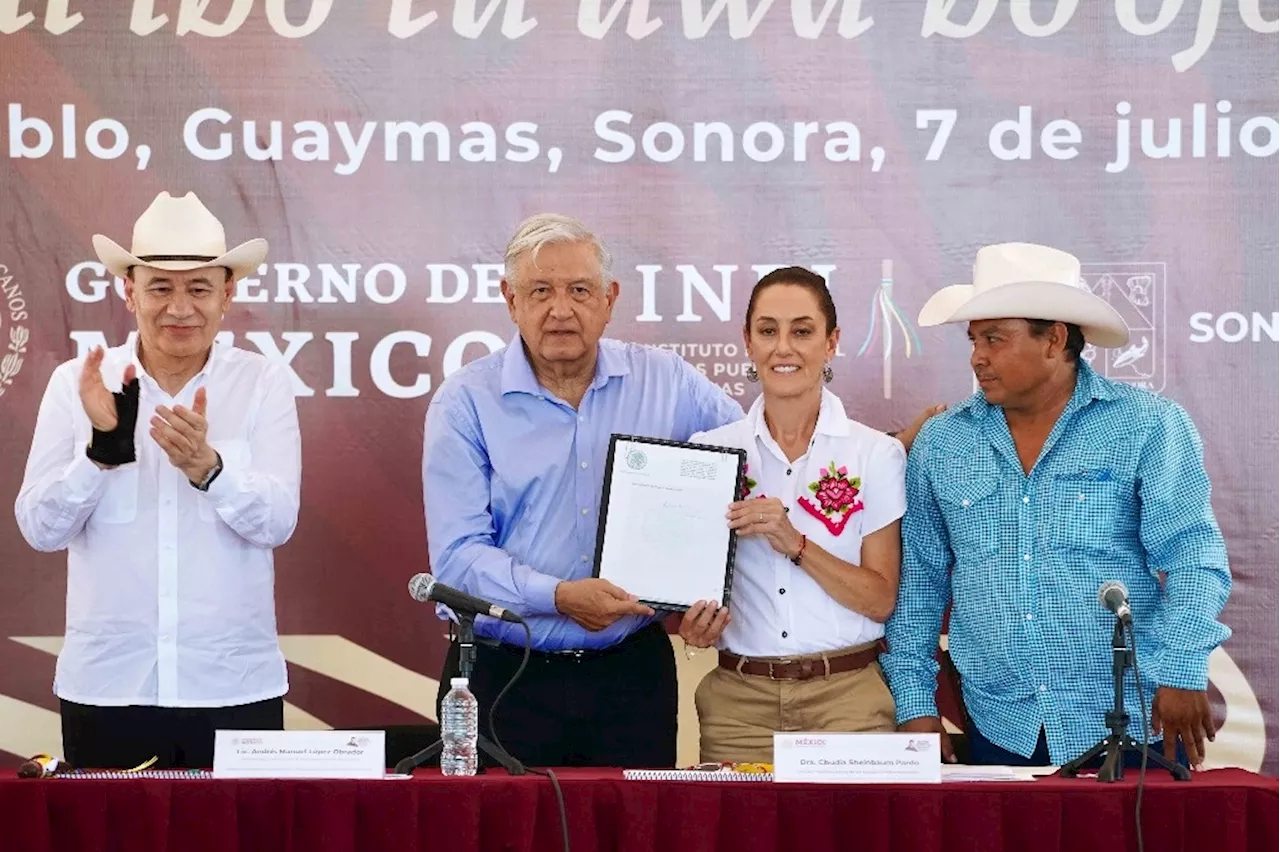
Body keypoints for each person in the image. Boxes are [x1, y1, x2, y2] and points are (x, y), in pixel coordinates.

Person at [881, 242, 1230, 771]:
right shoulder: (942, 442)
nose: (978, 356)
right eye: (974, 340)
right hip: (1001, 723)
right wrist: (914, 706)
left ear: (1055, 340)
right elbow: (920, 585)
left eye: (995, 338)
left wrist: (1181, 668)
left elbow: (1193, 557)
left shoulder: (1147, 425)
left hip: (1130, 718)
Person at [422, 213, 743, 768]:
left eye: (579, 290)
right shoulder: (465, 403)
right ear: (510, 299)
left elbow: (758, 465)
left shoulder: (668, 383)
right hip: (504, 675)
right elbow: (455, 562)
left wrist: (707, 591)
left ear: (610, 298)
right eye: (540, 291)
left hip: (631, 674)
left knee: (633, 841)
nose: (561, 309)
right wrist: (560, 596)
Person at [14, 191, 302, 769]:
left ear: (228, 294)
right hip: (107, 688)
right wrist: (99, 453)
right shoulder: (77, 383)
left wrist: (210, 470)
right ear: (129, 292)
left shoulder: (263, 382)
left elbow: (278, 521)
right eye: (160, 287)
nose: (180, 307)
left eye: (199, 288)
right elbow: (39, 529)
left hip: (232, 687)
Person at [686, 267, 932, 764]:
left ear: (832, 341)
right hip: (738, 704)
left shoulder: (875, 454)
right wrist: (695, 625)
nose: (784, 348)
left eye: (802, 331)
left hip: (848, 700)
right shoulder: (708, 454)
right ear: (748, 342)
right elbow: (689, 591)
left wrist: (794, 542)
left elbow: (880, 598)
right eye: (767, 330)